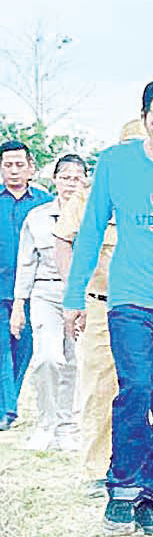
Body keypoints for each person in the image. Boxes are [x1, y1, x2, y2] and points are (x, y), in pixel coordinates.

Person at [63, 76, 153, 536]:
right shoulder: (116, 163)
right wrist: (73, 297)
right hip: (131, 299)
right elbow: (91, 230)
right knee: (136, 389)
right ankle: (120, 489)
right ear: (143, 119)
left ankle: (152, 496)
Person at [54, 120, 145, 494]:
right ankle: (96, 468)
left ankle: (137, 471)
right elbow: (64, 240)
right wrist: (71, 292)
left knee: (143, 389)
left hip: (146, 307)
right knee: (99, 387)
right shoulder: (92, 193)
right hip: (101, 306)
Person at [11, 153, 89, 450]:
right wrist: (19, 305)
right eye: (65, 177)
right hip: (47, 293)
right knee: (48, 358)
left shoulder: (94, 214)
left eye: (77, 177)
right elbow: (26, 264)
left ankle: (68, 428)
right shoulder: (38, 216)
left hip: (83, 295)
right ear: (54, 179)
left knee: (74, 361)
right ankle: (46, 425)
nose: (71, 183)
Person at [0, 139, 52, 430]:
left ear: (31, 168)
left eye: (20, 164)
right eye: (8, 165)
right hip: (0, 286)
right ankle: (5, 410)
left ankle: (9, 403)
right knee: (1, 349)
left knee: (23, 350)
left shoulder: (45, 203)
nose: (14, 170)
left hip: (34, 290)